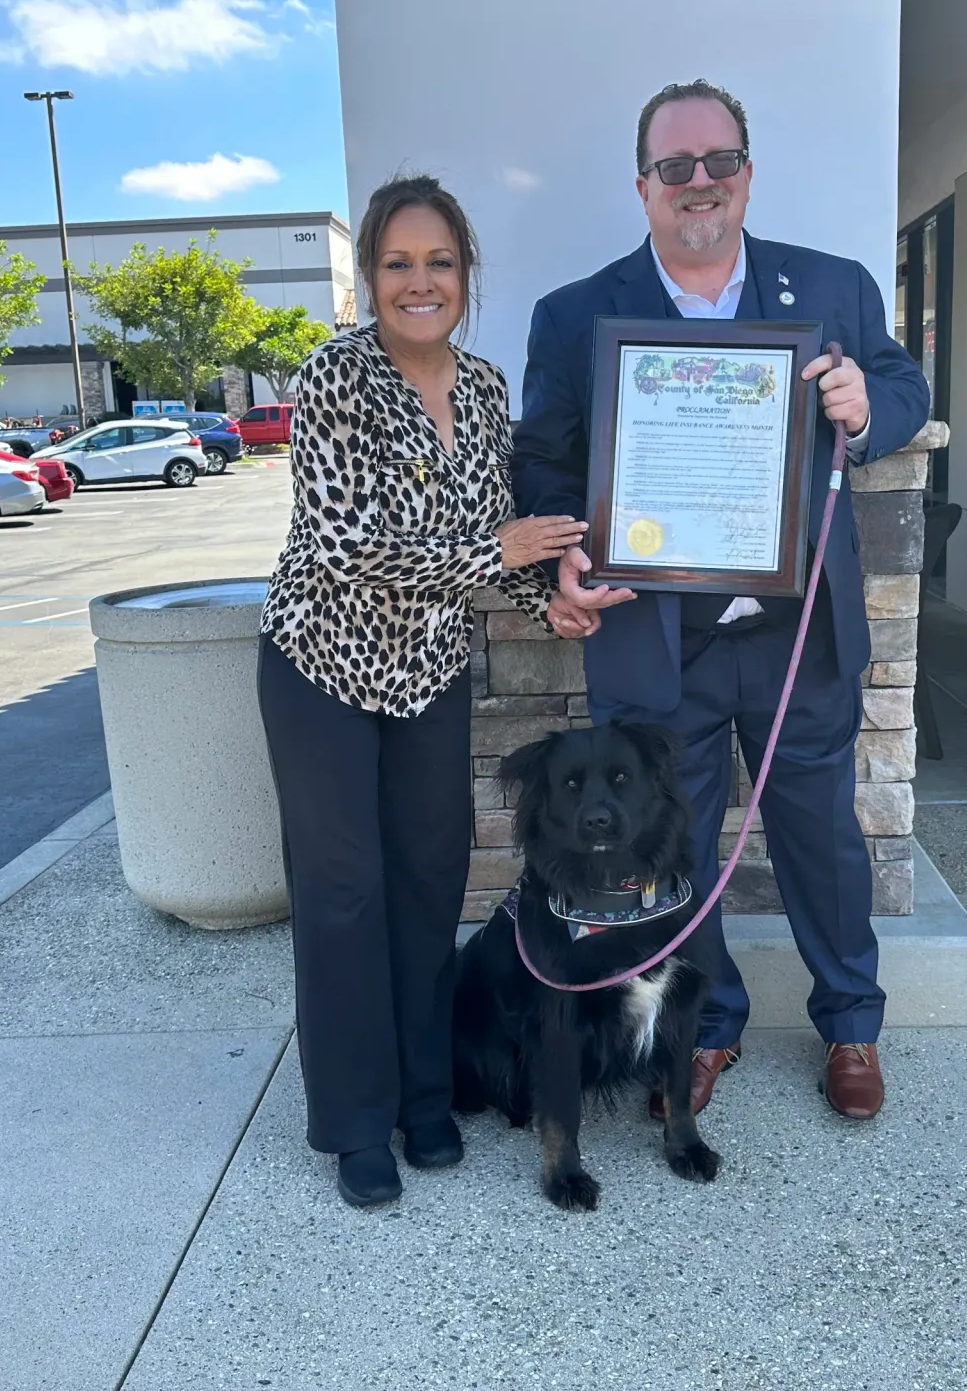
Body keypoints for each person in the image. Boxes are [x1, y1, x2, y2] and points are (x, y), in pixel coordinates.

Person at [512, 80, 932, 1123]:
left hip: (797, 639)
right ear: (643, 184)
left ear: (746, 170)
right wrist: (559, 563)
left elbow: (907, 389)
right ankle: (708, 1029)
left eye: (718, 162)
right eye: (675, 167)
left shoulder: (831, 288)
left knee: (822, 840)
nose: (699, 183)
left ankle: (851, 1024)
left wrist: (868, 405)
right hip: (658, 648)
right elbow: (544, 464)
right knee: (672, 850)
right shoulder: (576, 315)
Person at [257, 175, 585, 1209]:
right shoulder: (334, 380)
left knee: (431, 878)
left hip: (428, 671)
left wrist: (555, 607)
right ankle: (357, 1122)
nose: (419, 281)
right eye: (397, 263)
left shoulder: (486, 391)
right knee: (344, 892)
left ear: (466, 273)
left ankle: (423, 1095)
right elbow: (351, 547)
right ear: (368, 278)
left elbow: (499, 549)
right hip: (323, 664)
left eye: (438, 261)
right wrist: (501, 547)